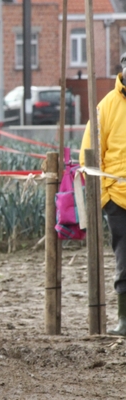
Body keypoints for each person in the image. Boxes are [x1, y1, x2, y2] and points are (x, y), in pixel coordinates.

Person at [80, 52, 126, 336]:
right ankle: (124, 319)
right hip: (118, 199)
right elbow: (90, 156)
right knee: (125, 259)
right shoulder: (106, 107)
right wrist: (106, 196)